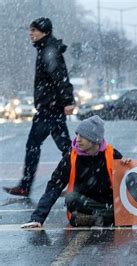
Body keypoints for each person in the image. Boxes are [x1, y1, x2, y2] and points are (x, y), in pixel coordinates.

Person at [4, 17, 75, 197]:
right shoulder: (46, 48)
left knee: (37, 145)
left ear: (44, 32)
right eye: (30, 30)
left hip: (50, 107)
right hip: (50, 106)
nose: (31, 33)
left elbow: (60, 77)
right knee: (65, 147)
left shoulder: (49, 51)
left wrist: (67, 100)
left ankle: (26, 185)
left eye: (34, 30)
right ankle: (77, 181)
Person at [20, 116, 131, 228]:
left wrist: (127, 168)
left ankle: (95, 219)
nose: (77, 139)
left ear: (94, 139)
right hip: (84, 203)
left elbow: (128, 184)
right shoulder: (71, 157)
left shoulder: (111, 154)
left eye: (83, 136)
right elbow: (54, 186)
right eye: (77, 134)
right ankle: (107, 218)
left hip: (108, 203)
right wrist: (38, 218)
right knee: (71, 198)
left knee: (121, 209)